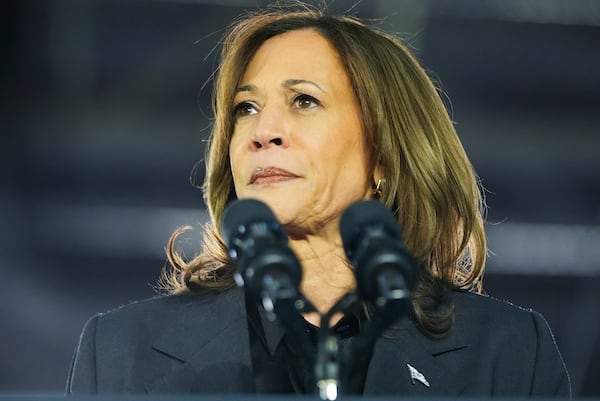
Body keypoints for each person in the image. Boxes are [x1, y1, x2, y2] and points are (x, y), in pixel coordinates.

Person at [67, 4, 571, 397]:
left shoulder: (507, 353)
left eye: (303, 100)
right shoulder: (119, 353)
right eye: (246, 108)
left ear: (384, 156)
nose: (263, 132)